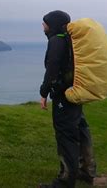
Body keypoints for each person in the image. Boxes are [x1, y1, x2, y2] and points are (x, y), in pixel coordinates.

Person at [38, 10, 97, 188]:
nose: (43, 26)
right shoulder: (70, 40)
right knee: (80, 129)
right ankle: (86, 171)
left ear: (53, 24)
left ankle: (65, 181)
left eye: (45, 22)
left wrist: (44, 92)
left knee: (66, 136)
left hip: (64, 95)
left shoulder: (56, 41)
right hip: (74, 92)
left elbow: (53, 68)